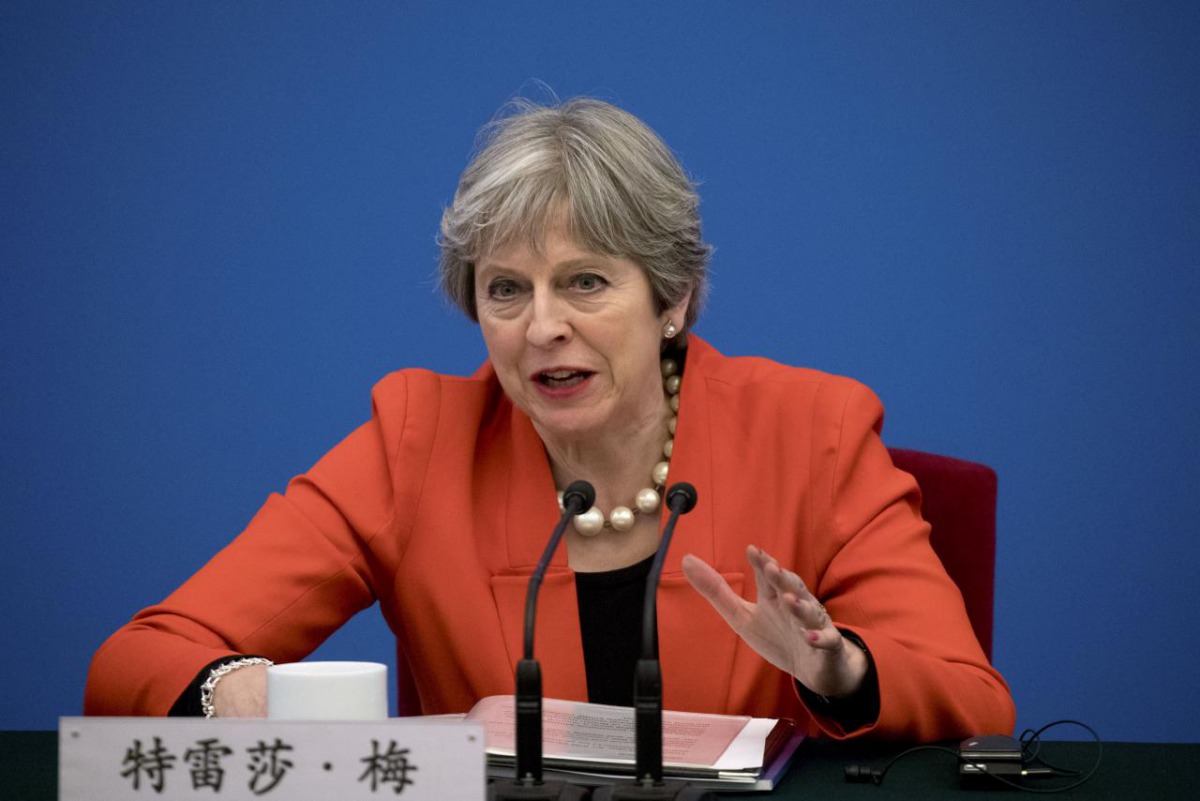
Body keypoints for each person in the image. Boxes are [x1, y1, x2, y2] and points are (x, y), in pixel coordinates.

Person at [85, 97, 1015, 741]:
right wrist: (227, 690)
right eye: (505, 290)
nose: (542, 327)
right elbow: (141, 657)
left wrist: (837, 668)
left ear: (675, 299)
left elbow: (975, 700)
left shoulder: (811, 429)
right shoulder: (417, 438)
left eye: (585, 281)